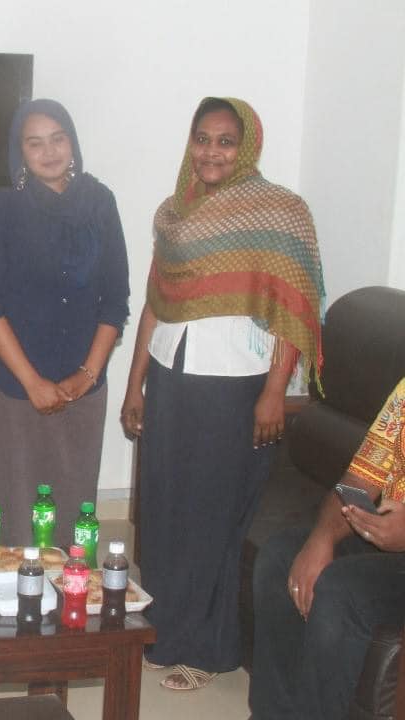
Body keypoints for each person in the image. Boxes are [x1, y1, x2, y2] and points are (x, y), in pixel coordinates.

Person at [121, 97, 325, 690]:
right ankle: (162, 632)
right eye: (202, 139)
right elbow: (156, 303)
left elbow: (293, 307)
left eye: (225, 141)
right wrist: (135, 385)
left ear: (248, 146)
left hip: (236, 383)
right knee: (166, 509)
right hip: (171, 376)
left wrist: (275, 392)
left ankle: (208, 651)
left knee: (212, 516)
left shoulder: (281, 211)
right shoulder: (173, 214)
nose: (211, 152)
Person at [0, 99, 129, 549]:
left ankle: (68, 593)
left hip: (82, 391)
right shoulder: (4, 208)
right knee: (8, 515)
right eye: (34, 143)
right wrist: (32, 382)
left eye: (58, 139)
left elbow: (115, 301)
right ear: (20, 152)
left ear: (72, 144)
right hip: (12, 388)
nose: (49, 151)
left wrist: (86, 375)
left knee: (71, 515)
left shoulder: (100, 202)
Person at [249, 377, 405, 719]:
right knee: (280, 558)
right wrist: (321, 539)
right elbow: (358, 479)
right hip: (388, 540)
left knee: (341, 589)